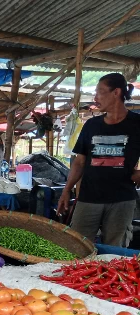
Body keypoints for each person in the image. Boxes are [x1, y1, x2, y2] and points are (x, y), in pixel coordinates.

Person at [57, 73, 140, 247]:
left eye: (100, 92)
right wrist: (66, 190)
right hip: (88, 198)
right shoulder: (92, 125)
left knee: (114, 252)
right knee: (77, 248)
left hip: (122, 201)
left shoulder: (136, 124)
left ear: (116, 92)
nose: (95, 98)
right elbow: (79, 162)